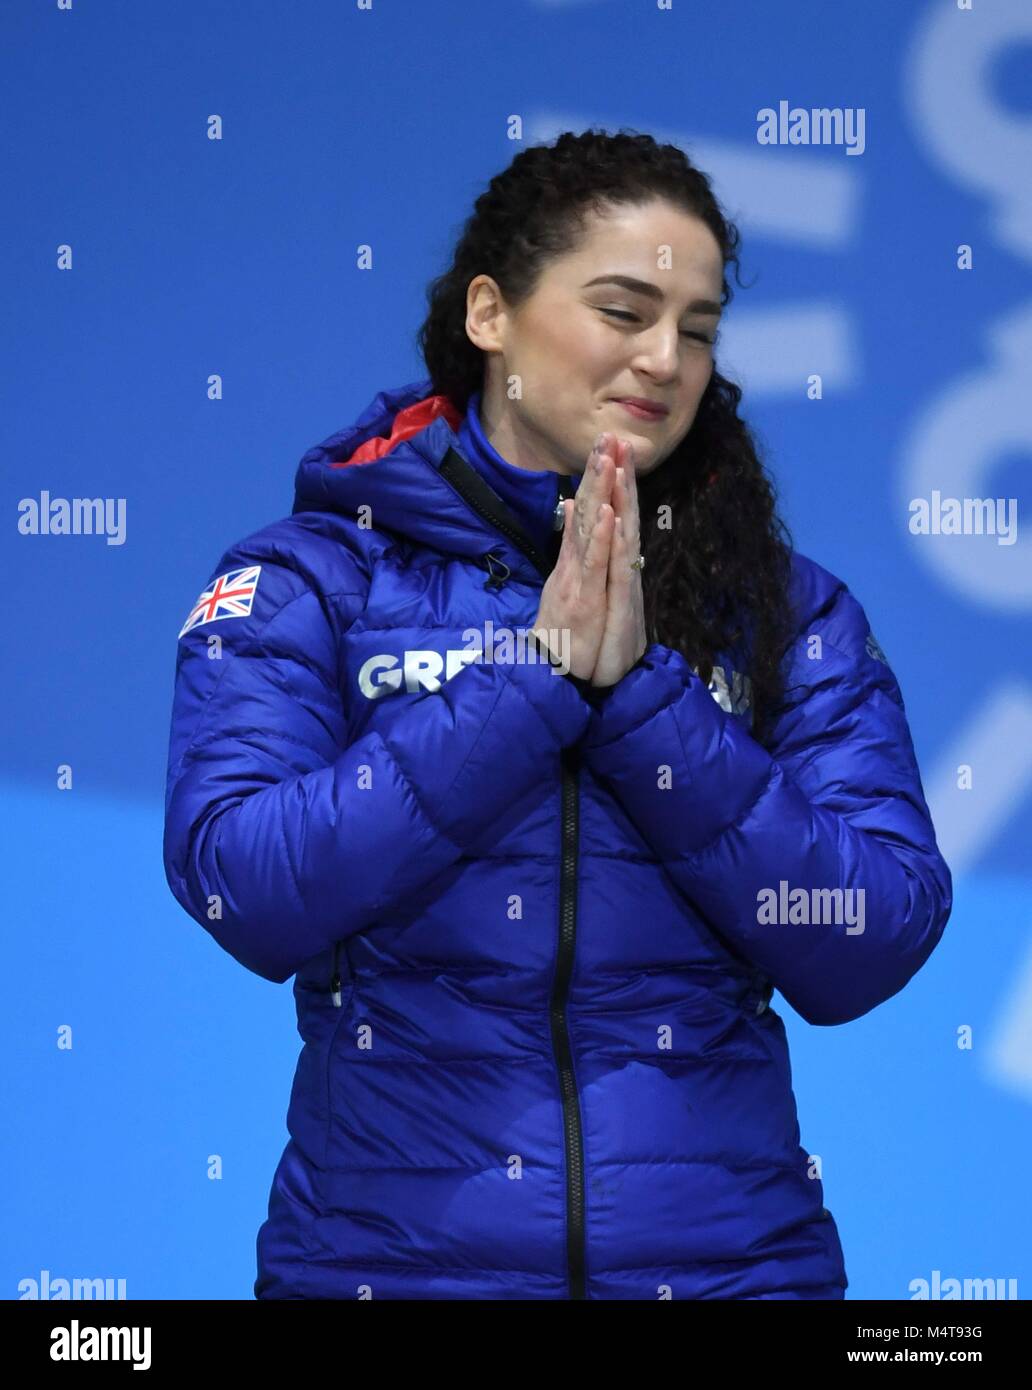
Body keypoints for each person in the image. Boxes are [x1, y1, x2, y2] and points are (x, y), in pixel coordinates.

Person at [162, 129, 952, 1300]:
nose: (666, 358)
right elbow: (244, 884)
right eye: (624, 309)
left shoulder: (789, 609)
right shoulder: (309, 582)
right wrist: (530, 687)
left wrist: (641, 702)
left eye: (698, 327)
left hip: (732, 1277)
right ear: (491, 314)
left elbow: (872, 934)